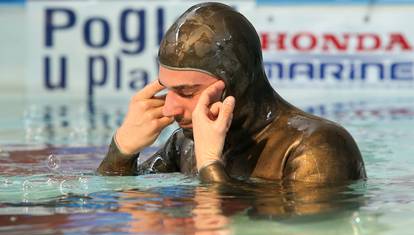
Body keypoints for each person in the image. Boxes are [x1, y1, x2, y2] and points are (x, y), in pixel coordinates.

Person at [97, 2, 366, 183]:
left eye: (188, 92)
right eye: (168, 90)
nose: (170, 109)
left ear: (235, 83)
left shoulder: (316, 148)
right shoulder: (185, 145)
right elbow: (116, 202)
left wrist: (210, 165)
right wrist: (122, 151)